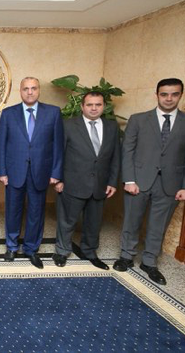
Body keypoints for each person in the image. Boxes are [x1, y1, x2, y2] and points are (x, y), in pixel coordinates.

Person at [113, 78, 185, 285]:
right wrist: (128, 179)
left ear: (180, 95)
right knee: (131, 221)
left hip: (171, 184)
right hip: (138, 181)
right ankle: (126, 256)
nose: (169, 98)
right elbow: (127, 151)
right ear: (157, 95)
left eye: (174, 94)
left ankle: (149, 262)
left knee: (158, 225)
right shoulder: (138, 120)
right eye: (164, 94)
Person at [0, 76, 63, 269]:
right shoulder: (8, 114)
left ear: (39, 90)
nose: (30, 92)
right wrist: (2, 171)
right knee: (13, 210)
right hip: (14, 171)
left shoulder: (53, 113)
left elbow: (58, 145)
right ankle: (11, 246)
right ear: (20, 91)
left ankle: (31, 249)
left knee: (36, 212)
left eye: (33, 88)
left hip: (40, 171)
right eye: (25, 88)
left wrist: (56, 172)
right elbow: (1, 145)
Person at [53, 91, 120, 269]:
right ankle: (62, 251)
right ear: (82, 106)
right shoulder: (68, 125)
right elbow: (59, 153)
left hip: (100, 184)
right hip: (72, 182)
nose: (94, 108)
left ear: (103, 106)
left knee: (94, 222)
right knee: (67, 220)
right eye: (90, 104)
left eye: (98, 104)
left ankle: (90, 251)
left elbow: (116, 156)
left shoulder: (112, 126)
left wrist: (112, 182)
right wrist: (58, 180)